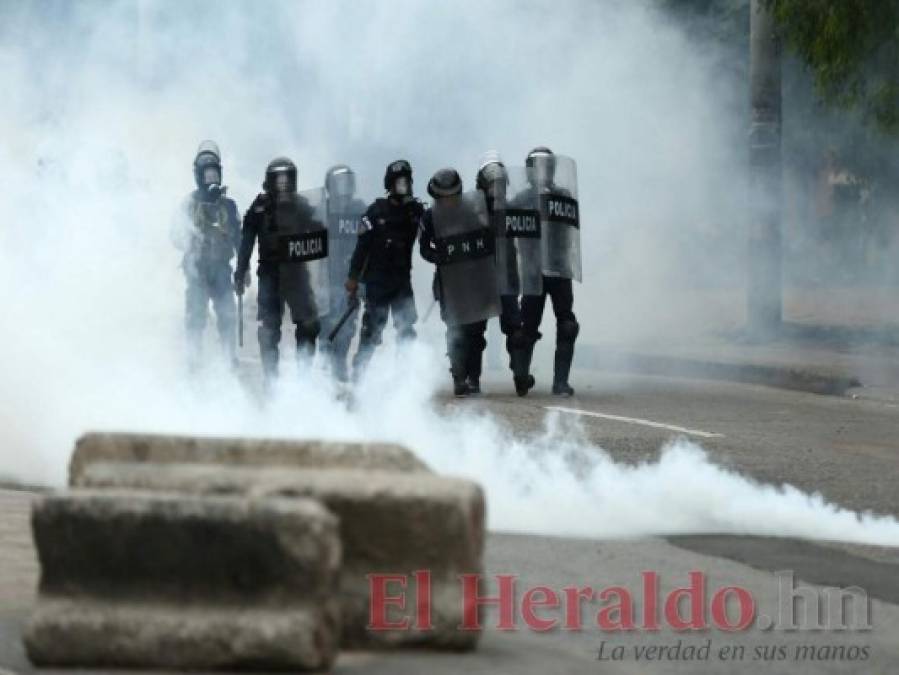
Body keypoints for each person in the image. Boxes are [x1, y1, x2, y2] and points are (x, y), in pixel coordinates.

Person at [234, 157, 327, 383]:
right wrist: (240, 271)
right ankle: (271, 380)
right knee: (269, 329)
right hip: (270, 275)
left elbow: (321, 233)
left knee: (309, 324)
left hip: (298, 275)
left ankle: (303, 377)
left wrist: (327, 220)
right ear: (271, 181)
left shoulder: (302, 205)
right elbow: (246, 241)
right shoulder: (259, 208)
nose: (283, 185)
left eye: (287, 180)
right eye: (279, 180)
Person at [420, 168, 500, 396]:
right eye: (444, 198)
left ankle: (474, 379)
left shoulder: (472, 211)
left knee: (476, 333)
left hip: (476, 280)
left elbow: (489, 238)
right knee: (456, 331)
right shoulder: (429, 217)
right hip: (449, 283)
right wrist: (440, 257)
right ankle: (459, 378)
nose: (449, 202)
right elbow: (424, 249)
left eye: (453, 196)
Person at [345, 159, 424, 378]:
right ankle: (359, 375)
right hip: (377, 282)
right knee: (371, 331)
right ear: (391, 184)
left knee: (406, 330)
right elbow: (361, 249)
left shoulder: (415, 212)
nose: (404, 185)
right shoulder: (375, 212)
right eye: (400, 181)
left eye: (407, 181)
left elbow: (430, 234)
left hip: (401, 282)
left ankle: (404, 377)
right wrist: (353, 278)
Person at [515, 146, 581, 396]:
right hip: (533, 271)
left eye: (547, 166)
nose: (543, 172)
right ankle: (521, 378)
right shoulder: (520, 200)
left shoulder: (563, 196)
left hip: (559, 269)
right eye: (539, 167)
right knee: (526, 328)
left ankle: (560, 382)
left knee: (567, 325)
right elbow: (505, 231)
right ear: (530, 171)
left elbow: (571, 233)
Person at [171, 140, 241, 370]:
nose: (211, 178)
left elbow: (239, 238)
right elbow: (174, 235)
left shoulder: (228, 206)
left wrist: (243, 269)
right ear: (199, 175)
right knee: (195, 315)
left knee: (227, 315)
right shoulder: (188, 205)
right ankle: (193, 358)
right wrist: (190, 239)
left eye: (214, 173)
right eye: (207, 173)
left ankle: (229, 357)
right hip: (197, 268)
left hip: (221, 267)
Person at [475, 154, 536, 396]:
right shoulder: (472, 211)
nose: (495, 187)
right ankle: (470, 380)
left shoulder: (511, 210)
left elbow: (532, 236)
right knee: (474, 333)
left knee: (516, 331)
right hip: (479, 280)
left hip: (506, 277)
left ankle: (521, 377)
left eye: (500, 182)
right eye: (491, 182)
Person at [320, 165, 367, 382]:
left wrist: (363, 280)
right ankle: (325, 369)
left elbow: (369, 245)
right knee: (325, 326)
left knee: (347, 328)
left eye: (348, 183)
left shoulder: (360, 212)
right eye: (339, 184)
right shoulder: (322, 211)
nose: (344, 189)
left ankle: (339, 366)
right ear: (330, 186)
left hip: (350, 281)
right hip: (325, 281)